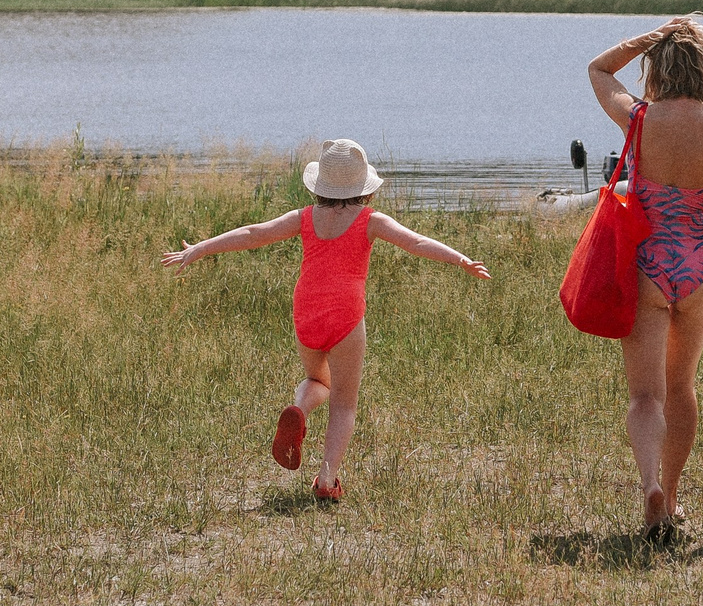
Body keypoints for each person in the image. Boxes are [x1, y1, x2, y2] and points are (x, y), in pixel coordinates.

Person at [161, 139, 489, 502]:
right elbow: (418, 242)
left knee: (318, 380)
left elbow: (254, 233)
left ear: (323, 185)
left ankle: (299, 409)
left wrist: (200, 248)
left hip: (306, 311)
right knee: (344, 404)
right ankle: (327, 480)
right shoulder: (371, 220)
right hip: (345, 315)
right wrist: (460, 259)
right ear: (362, 187)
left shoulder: (305, 217)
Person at [586, 17, 703, 543]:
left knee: (645, 396)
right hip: (700, 266)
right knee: (681, 385)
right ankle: (675, 492)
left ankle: (649, 490)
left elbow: (597, 69)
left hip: (647, 263)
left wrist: (647, 38)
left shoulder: (639, 119)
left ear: (658, 68)